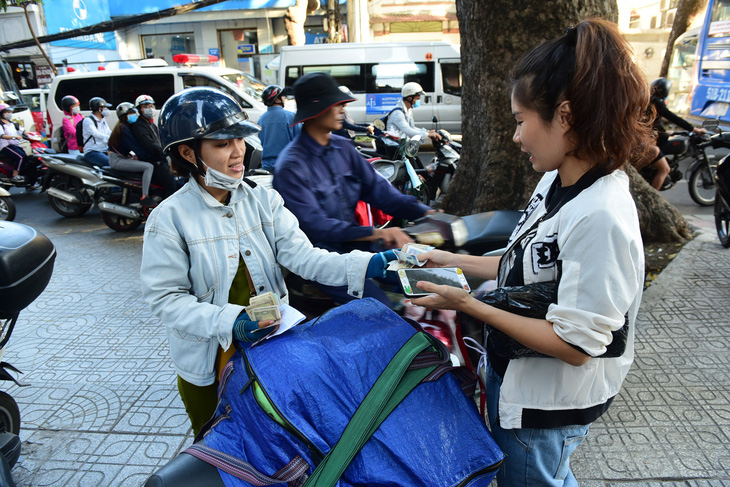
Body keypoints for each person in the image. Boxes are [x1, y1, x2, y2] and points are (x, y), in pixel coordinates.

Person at [409, 19, 648, 486]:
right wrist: (445, 259)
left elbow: (577, 346)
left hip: (546, 408)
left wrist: (469, 304)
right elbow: (524, 266)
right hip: (517, 383)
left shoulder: (601, 214)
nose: (516, 138)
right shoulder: (556, 182)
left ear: (564, 116)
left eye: (521, 122)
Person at [139, 86, 395, 435]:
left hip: (272, 350)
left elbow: (305, 258)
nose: (238, 152)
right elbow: (165, 300)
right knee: (223, 449)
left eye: (240, 140)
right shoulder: (169, 219)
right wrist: (231, 322)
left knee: (279, 443)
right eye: (222, 143)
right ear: (187, 152)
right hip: (208, 365)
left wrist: (368, 265)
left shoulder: (264, 200)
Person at [273, 72, 435, 307]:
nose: (343, 109)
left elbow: (379, 190)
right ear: (316, 110)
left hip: (358, 244)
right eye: (336, 104)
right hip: (323, 258)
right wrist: (378, 233)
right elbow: (318, 227)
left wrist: (426, 214)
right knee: (382, 309)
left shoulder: (343, 148)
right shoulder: (290, 166)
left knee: (426, 277)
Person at [647, 77, 707, 190]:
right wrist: (694, 129)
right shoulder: (657, 103)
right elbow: (673, 118)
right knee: (664, 169)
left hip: (647, 139)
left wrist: (668, 132)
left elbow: (656, 122)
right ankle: (652, 197)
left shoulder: (649, 101)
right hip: (648, 142)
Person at [107, 102, 156, 206]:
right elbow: (136, 147)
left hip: (122, 157)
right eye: (131, 113)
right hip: (116, 160)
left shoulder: (124, 127)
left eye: (135, 112)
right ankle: (145, 196)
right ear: (125, 116)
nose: (135, 115)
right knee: (148, 167)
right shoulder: (124, 129)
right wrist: (150, 156)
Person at [129, 94, 178, 198]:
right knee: (172, 187)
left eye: (151, 106)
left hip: (162, 160)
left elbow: (161, 139)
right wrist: (165, 151)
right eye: (146, 106)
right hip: (155, 162)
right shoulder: (138, 126)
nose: (149, 109)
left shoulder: (151, 124)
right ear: (139, 109)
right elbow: (150, 145)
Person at [256, 84, 300, 171]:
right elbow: (300, 139)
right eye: (283, 97)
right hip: (288, 165)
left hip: (267, 166)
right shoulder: (290, 116)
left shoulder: (261, 119)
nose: (284, 99)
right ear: (276, 99)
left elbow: (262, 141)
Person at [0, 103, 28, 182]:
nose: (9, 114)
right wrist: (15, 137)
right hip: (6, 146)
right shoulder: (1, 124)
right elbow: (2, 135)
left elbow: (23, 131)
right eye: (7, 112)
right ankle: (15, 175)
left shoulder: (13, 123)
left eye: (10, 112)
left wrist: (33, 134)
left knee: (27, 157)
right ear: (2, 113)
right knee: (21, 157)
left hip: (15, 145)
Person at [82, 97, 112, 167]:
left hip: (104, 150)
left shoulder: (103, 120)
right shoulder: (88, 120)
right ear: (99, 108)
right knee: (111, 163)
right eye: (105, 107)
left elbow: (108, 132)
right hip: (93, 152)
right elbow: (96, 134)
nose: (107, 109)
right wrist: (109, 138)